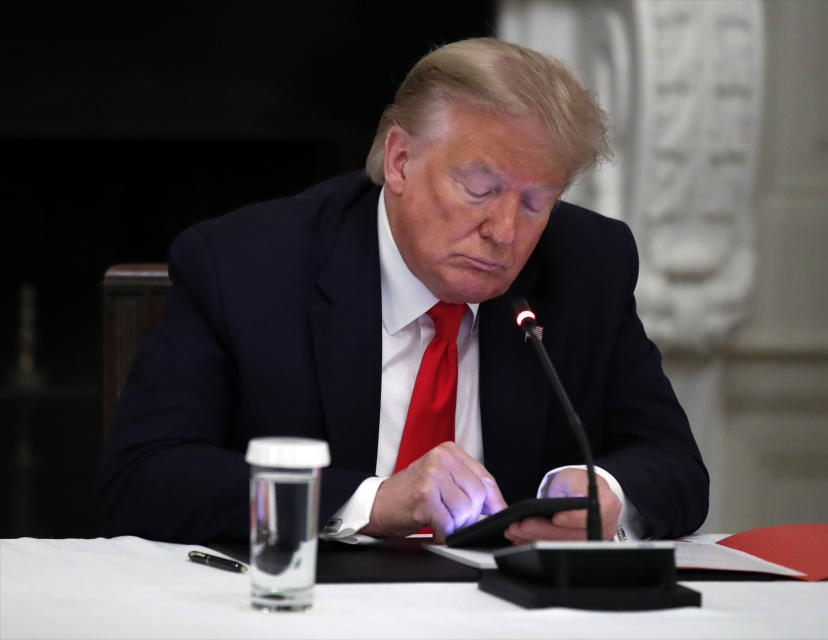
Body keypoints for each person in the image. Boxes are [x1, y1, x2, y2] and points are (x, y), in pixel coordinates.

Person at [98, 37, 708, 545]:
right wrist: (370, 501)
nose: (504, 231)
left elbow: (674, 465)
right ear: (399, 160)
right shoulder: (247, 265)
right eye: (478, 187)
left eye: (535, 201)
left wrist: (604, 493)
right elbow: (144, 477)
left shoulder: (586, 265)